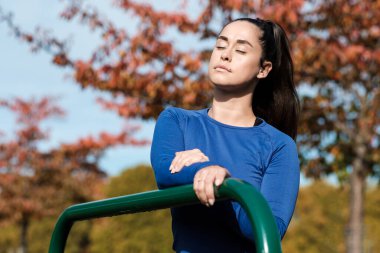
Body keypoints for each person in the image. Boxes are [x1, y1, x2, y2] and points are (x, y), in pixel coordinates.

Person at [150, 17, 300, 253]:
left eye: (240, 50)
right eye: (220, 45)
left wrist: (223, 183)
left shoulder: (280, 146)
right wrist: (204, 171)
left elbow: (269, 228)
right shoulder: (177, 120)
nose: (225, 55)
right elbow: (166, 172)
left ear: (263, 69)